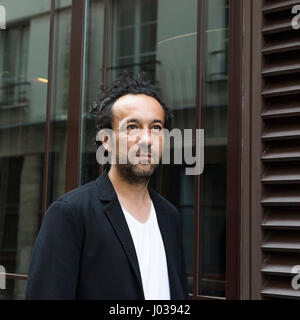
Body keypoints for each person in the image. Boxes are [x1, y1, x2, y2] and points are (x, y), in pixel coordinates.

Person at [25, 72, 189, 300]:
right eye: (132, 127)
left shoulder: (169, 216)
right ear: (106, 141)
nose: (147, 139)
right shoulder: (70, 213)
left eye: (156, 128)